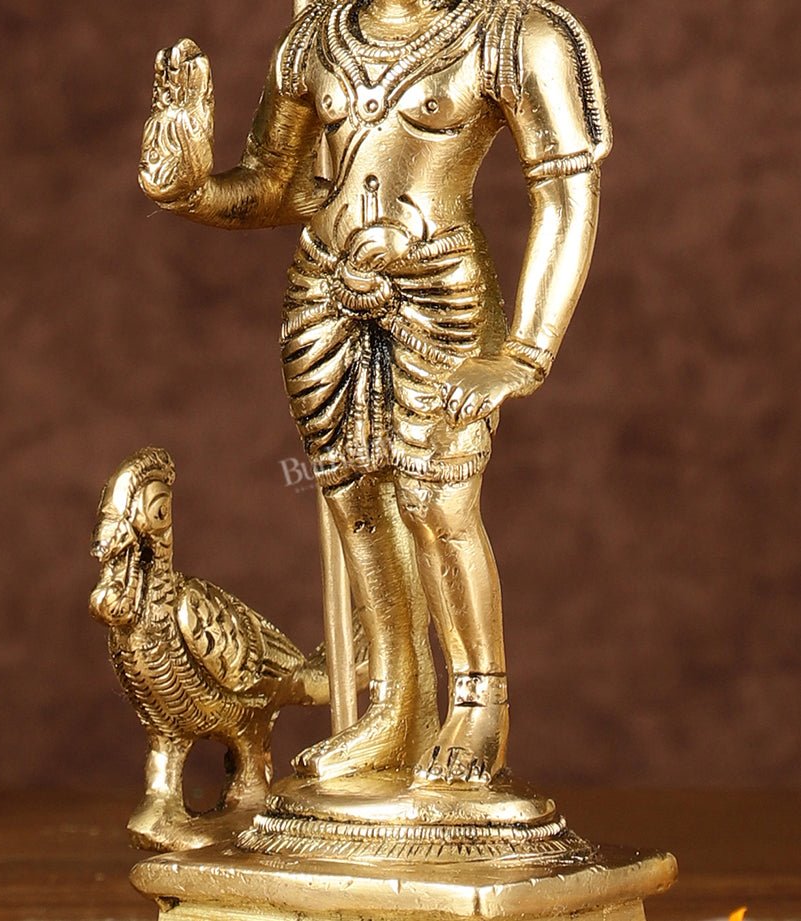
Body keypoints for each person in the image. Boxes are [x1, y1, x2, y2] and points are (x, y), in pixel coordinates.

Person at [139, 0, 611, 787]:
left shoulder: (511, 36)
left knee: (436, 501)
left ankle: (478, 704)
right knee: (355, 495)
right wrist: (189, 188)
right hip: (324, 290)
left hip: (438, 295)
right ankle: (396, 706)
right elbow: (281, 187)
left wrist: (525, 352)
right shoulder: (316, 35)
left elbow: (567, 193)